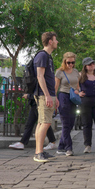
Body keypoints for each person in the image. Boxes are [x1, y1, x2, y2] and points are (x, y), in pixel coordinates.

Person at [33, 31, 59, 163]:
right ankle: (39, 153)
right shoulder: (42, 55)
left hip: (48, 94)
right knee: (45, 122)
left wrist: (54, 96)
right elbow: (40, 76)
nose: (57, 42)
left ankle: (40, 151)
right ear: (50, 41)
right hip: (44, 95)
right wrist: (48, 95)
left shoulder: (48, 57)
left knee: (42, 122)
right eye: (55, 39)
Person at [55, 52, 81, 156]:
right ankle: (68, 148)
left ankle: (60, 147)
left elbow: (78, 85)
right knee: (65, 124)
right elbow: (55, 87)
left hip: (73, 98)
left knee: (71, 124)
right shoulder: (59, 72)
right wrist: (54, 99)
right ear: (64, 61)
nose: (70, 64)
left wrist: (77, 91)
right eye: (68, 62)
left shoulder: (75, 72)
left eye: (72, 62)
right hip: (63, 97)